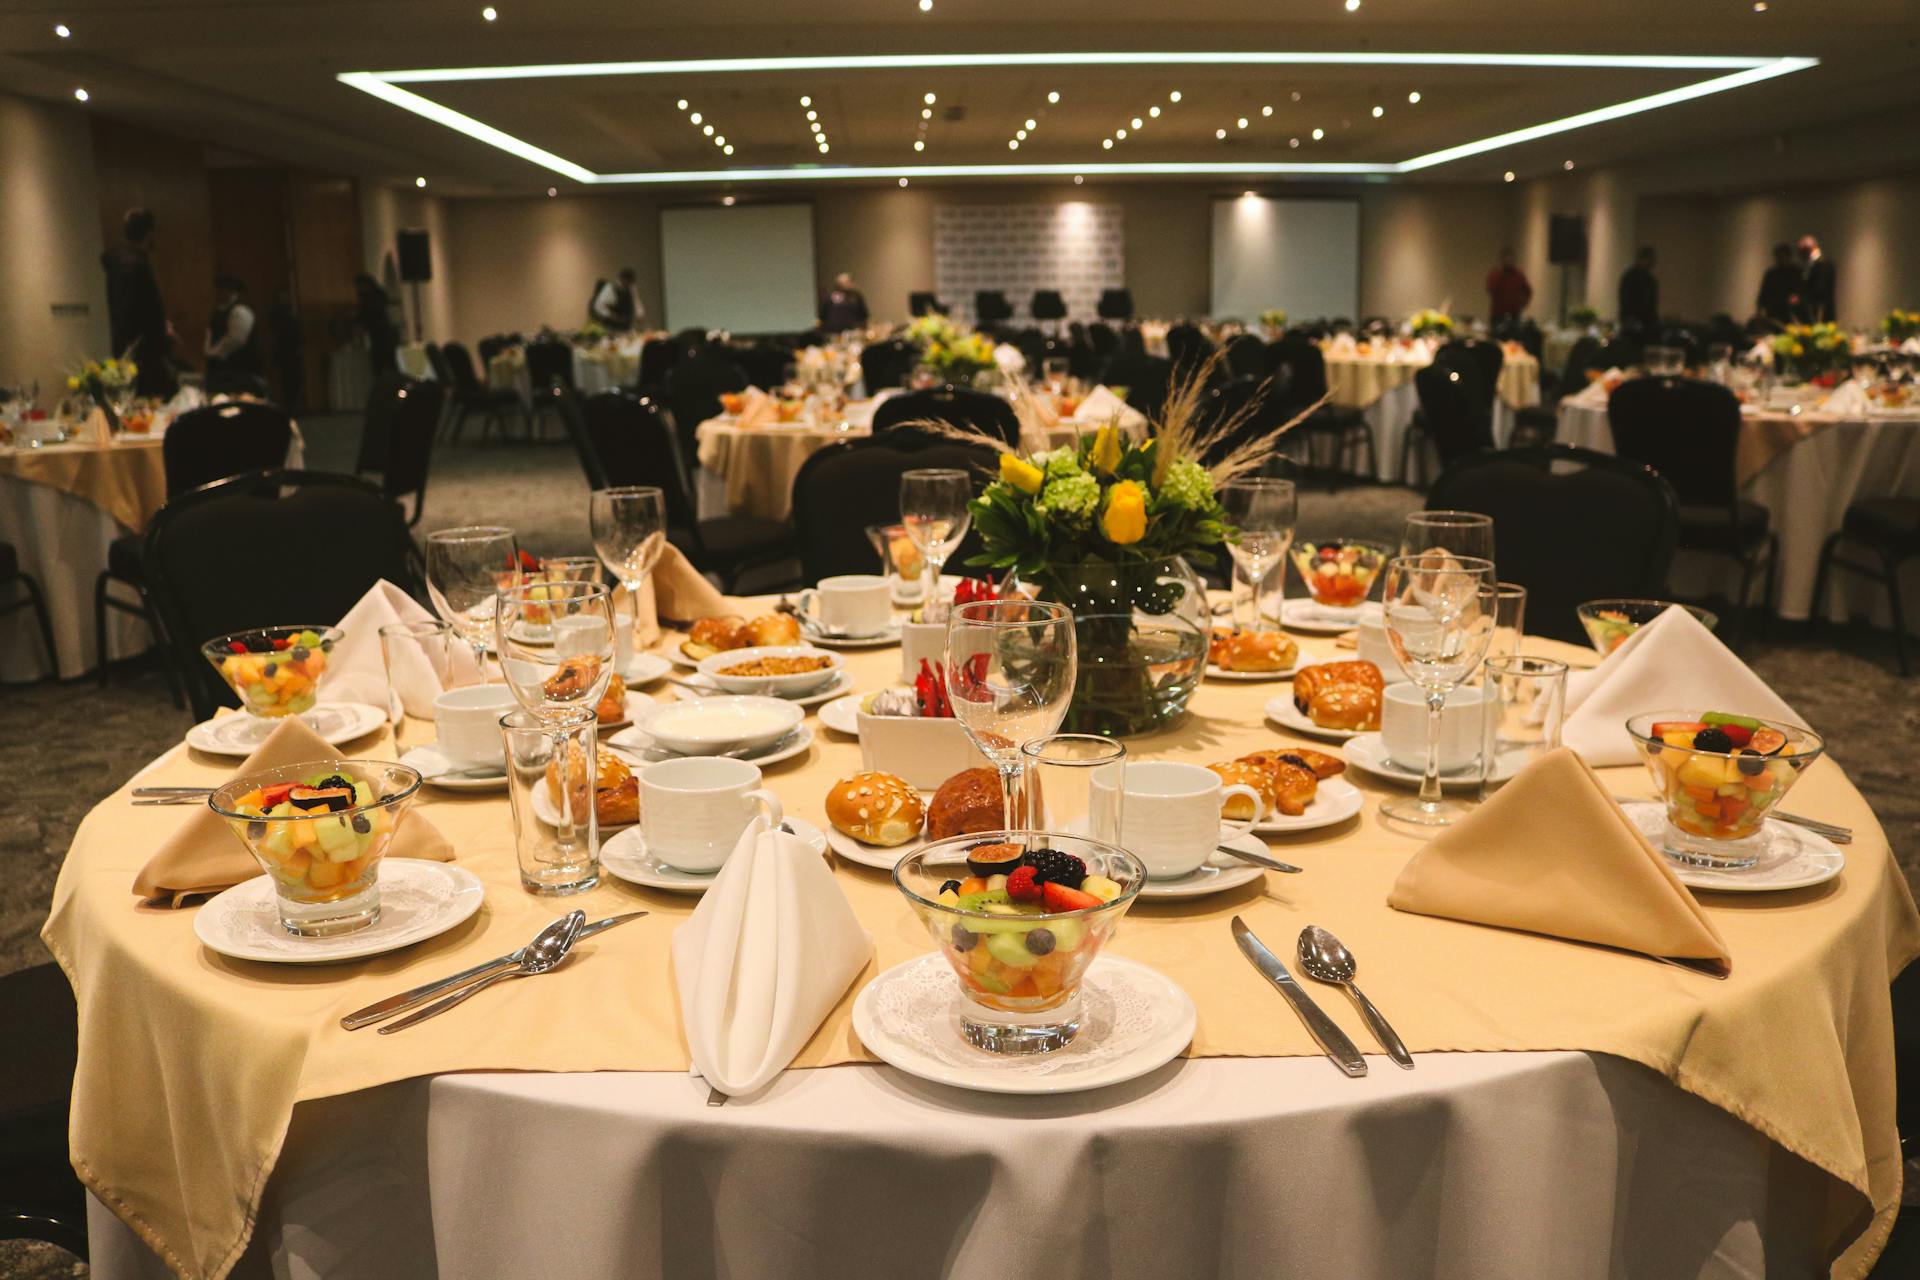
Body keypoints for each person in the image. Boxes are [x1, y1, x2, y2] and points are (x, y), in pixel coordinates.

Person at [100, 207, 177, 397]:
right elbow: (127, 313)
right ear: (149, 233)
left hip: (135, 353)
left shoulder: (125, 263)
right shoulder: (132, 266)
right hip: (143, 356)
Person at [203, 273, 262, 381]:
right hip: (223, 368)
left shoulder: (240, 310)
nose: (218, 293)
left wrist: (213, 353)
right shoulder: (220, 310)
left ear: (231, 291)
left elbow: (236, 340)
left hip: (239, 368)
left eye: (222, 290)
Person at [354, 273, 400, 377]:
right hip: (385, 336)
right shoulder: (379, 298)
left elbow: (364, 319)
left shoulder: (369, 301)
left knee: (380, 369)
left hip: (379, 338)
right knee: (391, 367)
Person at [1756, 243, 1802, 327]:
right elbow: (1764, 293)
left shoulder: (1796, 273)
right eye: (1778, 257)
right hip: (1773, 310)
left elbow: (1800, 291)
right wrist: (1759, 311)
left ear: (1788, 257)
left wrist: (1795, 299)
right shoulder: (1771, 274)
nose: (1780, 259)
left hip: (1790, 311)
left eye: (1782, 256)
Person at [1617, 246, 1660, 335]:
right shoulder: (1641, 279)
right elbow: (1626, 299)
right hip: (1635, 322)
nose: (1653, 262)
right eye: (1651, 259)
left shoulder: (1633, 277)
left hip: (1639, 322)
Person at [1484, 248, 1532, 323]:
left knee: (1514, 333)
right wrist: (1501, 274)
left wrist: (1523, 304)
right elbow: (1491, 290)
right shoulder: (1495, 274)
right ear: (1502, 261)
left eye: (1510, 260)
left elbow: (1528, 291)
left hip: (1514, 314)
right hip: (1498, 314)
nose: (1508, 262)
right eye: (1506, 260)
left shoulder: (1518, 275)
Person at [1796, 234, 1836, 323]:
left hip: (1821, 311)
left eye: (1802, 251)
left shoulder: (1824, 264)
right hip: (1811, 311)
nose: (1800, 255)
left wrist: (1803, 297)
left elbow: (1820, 289)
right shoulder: (1809, 264)